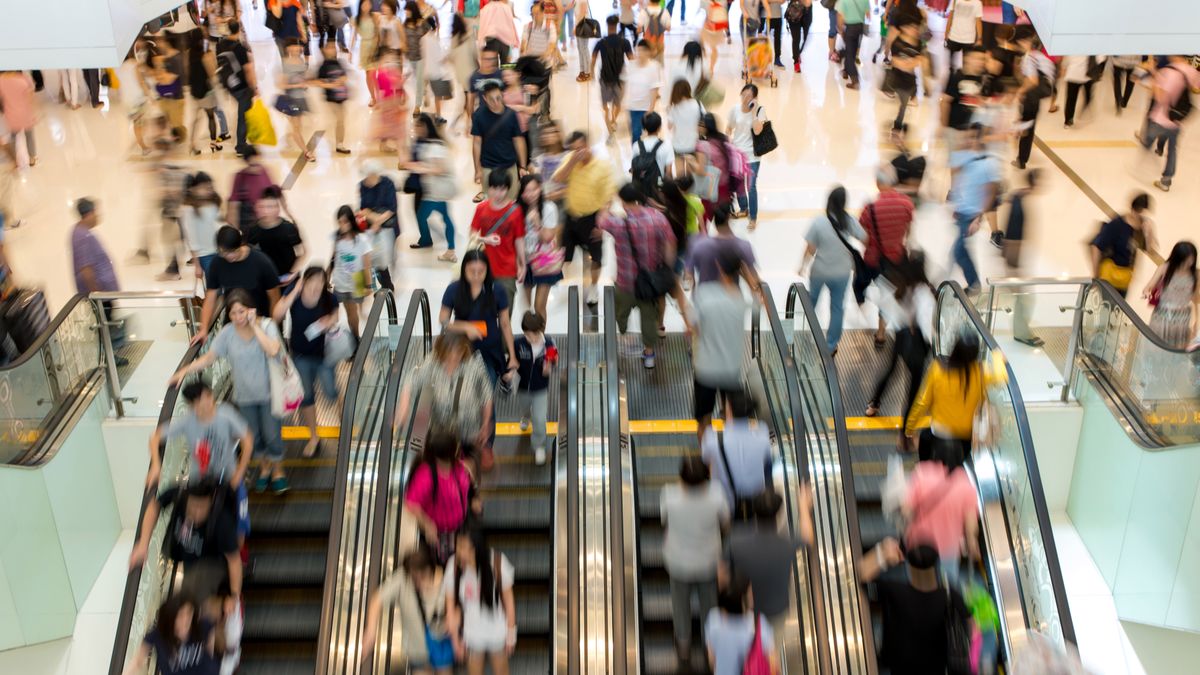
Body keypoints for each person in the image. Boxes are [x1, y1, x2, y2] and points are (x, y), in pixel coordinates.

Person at [171, 290, 290, 493]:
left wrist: (254, 325)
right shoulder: (227, 332)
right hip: (244, 397)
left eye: (241, 312)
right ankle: (264, 468)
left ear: (250, 310)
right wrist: (185, 370)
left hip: (270, 395)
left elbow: (272, 350)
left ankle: (278, 470)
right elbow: (210, 357)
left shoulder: (267, 326)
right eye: (233, 313)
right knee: (254, 436)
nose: (237, 318)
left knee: (272, 435)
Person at [441, 251, 518, 467]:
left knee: (485, 398)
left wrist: (511, 355)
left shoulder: (497, 290)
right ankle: (464, 442)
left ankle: (486, 445)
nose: (476, 276)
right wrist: (466, 326)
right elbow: (444, 320)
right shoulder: (454, 290)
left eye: (481, 272)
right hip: (461, 353)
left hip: (489, 354)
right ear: (464, 269)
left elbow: (504, 323)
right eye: (471, 271)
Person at [723, 489, 813, 663]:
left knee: (740, 648)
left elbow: (723, 572)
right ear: (778, 515)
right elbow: (808, 539)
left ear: (755, 513)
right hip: (776, 610)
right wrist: (803, 506)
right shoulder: (787, 544)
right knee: (769, 652)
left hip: (744, 610)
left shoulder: (736, 539)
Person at [858, 540, 966, 675]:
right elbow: (971, 628)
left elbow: (862, 575)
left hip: (899, 667)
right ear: (936, 567)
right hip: (937, 668)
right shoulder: (950, 596)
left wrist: (882, 553)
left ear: (909, 568)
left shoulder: (894, 591)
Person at [599, 183, 677, 369]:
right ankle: (649, 354)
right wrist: (666, 268)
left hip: (625, 282)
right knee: (649, 317)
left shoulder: (618, 223)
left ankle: (623, 333)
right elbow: (670, 244)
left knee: (620, 311)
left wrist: (606, 204)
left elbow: (601, 221)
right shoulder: (657, 218)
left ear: (623, 202)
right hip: (650, 282)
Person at [661, 455, 729, 666]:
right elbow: (725, 523)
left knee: (680, 604)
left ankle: (683, 645)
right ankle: (711, 647)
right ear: (706, 477)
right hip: (708, 562)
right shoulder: (717, 495)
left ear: (681, 478)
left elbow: (664, 521)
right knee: (710, 603)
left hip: (678, 561)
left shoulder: (668, 495)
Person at [129, 477, 243, 602]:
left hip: (213, 571)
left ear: (211, 503)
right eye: (194, 506)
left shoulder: (223, 522)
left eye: (203, 507)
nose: (198, 513)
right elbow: (154, 507)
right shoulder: (180, 494)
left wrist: (233, 597)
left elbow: (234, 562)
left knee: (192, 596)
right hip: (190, 567)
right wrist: (143, 543)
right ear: (186, 499)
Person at [904, 332, 1006, 466]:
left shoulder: (938, 369)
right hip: (966, 435)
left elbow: (922, 402)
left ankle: (926, 473)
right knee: (958, 466)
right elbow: (1001, 377)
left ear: (955, 349)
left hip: (940, 432)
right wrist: (998, 356)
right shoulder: (981, 372)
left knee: (925, 439)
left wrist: (909, 428)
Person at [272, 267, 341, 457]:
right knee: (306, 395)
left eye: (321, 282)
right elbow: (277, 314)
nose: (317, 286)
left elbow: (336, 314)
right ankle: (313, 437)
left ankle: (344, 421)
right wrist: (294, 291)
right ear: (305, 281)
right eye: (313, 281)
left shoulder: (329, 297)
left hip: (324, 356)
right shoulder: (294, 294)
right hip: (300, 355)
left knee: (331, 391)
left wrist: (330, 321)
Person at [398, 332, 494, 465]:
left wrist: (485, 423)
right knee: (438, 458)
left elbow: (486, 395)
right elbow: (411, 379)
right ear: (441, 352)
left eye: (458, 354)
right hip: (440, 426)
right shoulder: (433, 362)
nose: (453, 359)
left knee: (470, 462)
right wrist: (404, 406)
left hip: (468, 426)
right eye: (448, 355)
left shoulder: (474, 366)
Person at [362, 544, 453, 673]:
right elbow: (378, 599)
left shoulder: (447, 580)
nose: (418, 583)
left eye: (422, 577)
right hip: (416, 652)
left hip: (441, 648)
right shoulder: (402, 577)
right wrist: (371, 631)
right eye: (414, 578)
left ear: (430, 569)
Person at [690, 248, 749, 439]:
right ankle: (731, 453)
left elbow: (695, 328)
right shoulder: (741, 300)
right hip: (731, 369)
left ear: (719, 267)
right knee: (733, 415)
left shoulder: (704, 294)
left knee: (704, 419)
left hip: (706, 369)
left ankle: (708, 460)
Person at [552, 130, 616, 307]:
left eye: (581, 148)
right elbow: (558, 178)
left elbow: (608, 196)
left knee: (596, 256)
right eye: (574, 149)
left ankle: (594, 287)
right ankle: (557, 281)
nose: (578, 152)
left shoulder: (602, 165)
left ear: (588, 145)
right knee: (562, 253)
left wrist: (602, 222)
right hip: (572, 216)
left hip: (592, 218)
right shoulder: (570, 160)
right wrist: (572, 161)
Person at [903, 439, 981, 585]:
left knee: (917, 582)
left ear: (935, 453)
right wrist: (971, 541)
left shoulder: (921, 472)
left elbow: (906, 510)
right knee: (948, 584)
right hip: (949, 548)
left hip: (919, 544)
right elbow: (971, 525)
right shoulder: (966, 484)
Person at [866, 254, 934, 418]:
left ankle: (874, 403)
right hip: (917, 340)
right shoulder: (924, 291)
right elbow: (925, 323)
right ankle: (907, 424)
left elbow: (887, 306)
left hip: (901, 335)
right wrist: (932, 341)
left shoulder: (901, 285)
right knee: (915, 381)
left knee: (891, 370)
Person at [801, 185, 865, 355]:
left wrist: (802, 266)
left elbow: (811, 249)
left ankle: (805, 335)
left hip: (820, 271)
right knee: (837, 307)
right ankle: (831, 346)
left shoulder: (819, 222)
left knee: (811, 302)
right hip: (842, 272)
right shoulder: (849, 221)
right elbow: (865, 238)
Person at [444, 527, 517, 675]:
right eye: (458, 546)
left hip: (497, 631)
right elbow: (450, 607)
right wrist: (455, 640)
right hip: (471, 634)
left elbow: (509, 601)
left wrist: (511, 634)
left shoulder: (497, 562)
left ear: (477, 548)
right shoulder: (453, 566)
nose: (460, 552)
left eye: (465, 548)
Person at [195, 226, 282, 344]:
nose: (229, 256)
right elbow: (210, 297)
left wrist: (271, 328)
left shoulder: (261, 262)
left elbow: (274, 298)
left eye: (232, 252)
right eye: (223, 253)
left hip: (258, 323)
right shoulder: (217, 263)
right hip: (234, 323)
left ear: (241, 245)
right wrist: (204, 328)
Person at [700, 391, 772, 519]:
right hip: (756, 502)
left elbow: (705, 460)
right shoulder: (762, 434)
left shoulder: (712, 437)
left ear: (729, 410)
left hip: (724, 501)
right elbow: (766, 460)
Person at [405, 431, 476, 559]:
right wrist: (427, 525)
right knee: (444, 566)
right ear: (453, 451)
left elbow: (466, 488)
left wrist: (474, 496)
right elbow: (411, 504)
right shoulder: (426, 475)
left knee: (457, 565)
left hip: (459, 529)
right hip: (438, 535)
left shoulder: (460, 466)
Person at [947, 125, 1000, 293]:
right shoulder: (965, 156)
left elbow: (991, 192)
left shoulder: (989, 163)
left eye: (971, 137)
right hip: (962, 210)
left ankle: (974, 284)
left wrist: (978, 217)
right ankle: (964, 281)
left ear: (979, 139)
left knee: (958, 251)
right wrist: (955, 200)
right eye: (966, 137)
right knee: (958, 250)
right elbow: (956, 176)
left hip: (971, 214)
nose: (967, 141)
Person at [1139, 55, 1200, 193]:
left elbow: (1160, 98)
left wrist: (1154, 79)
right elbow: (1196, 87)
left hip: (1161, 118)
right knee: (1173, 149)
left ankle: (1147, 166)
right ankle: (1166, 180)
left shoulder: (1169, 72)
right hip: (1178, 119)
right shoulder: (1192, 71)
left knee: (1147, 141)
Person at [123, 594, 220, 675]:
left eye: (189, 613)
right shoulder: (158, 634)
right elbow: (137, 661)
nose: (186, 619)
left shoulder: (203, 626)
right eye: (181, 615)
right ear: (171, 616)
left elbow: (210, 651)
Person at [1000, 169, 1043, 347]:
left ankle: (1021, 331)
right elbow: (1012, 235)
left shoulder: (1019, 196)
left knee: (1021, 296)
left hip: (1014, 256)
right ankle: (1022, 333)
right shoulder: (1020, 202)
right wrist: (1015, 263)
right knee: (1025, 297)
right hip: (1014, 256)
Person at [470, 171, 526, 305]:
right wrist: (485, 239)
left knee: (505, 307)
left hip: (507, 267)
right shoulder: (481, 208)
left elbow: (519, 239)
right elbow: (472, 235)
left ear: (507, 189)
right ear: (488, 188)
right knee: (483, 307)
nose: (498, 193)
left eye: (502, 189)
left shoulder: (515, 211)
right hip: (483, 267)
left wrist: (522, 264)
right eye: (494, 188)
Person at [704, 575, 778, 675]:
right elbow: (773, 663)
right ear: (744, 601)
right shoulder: (760, 623)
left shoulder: (713, 618)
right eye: (750, 592)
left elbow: (712, 659)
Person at [409, 114, 459, 262]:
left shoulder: (435, 146)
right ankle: (450, 249)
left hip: (435, 192)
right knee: (446, 218)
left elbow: (440, 169)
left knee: (421, 216)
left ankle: (444, 247)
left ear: (425, 127)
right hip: (436, 191)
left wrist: (420, 168)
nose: (415, 128)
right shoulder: (434, 142)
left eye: (418, 125)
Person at [1090, 192, 1157, 298]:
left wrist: (1149, 234)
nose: (1140, 217)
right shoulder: (1117, 225)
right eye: (1138, 212)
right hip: (1110, 275)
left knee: (1118, 306)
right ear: (1133, 209)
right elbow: (1096, 246)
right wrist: (1095, 276)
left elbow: (1151, 251)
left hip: (1125, 278)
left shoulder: (1143, 227)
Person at [471, 82, 527, 203]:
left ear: (502, 95)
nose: (496, 103)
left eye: (498, 98)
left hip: (509, 165)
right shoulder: (479, 116)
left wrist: (522, 166)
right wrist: (477, 170)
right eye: (491, 99)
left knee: (511, 200)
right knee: (491, 202)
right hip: (488, 166)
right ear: (485, 98)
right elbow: (476, 143)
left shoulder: (511, 115)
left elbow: (518, 140)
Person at [518, 174, 563, 320]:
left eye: (534, 190)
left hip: (544, 261)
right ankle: (530, 335)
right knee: (526, 307)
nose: (530, 194)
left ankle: (540, 339)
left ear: (540, 189)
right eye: (526, 191)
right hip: (526, 262)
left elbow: (547, 238)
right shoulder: (517, 209)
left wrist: (537, 222)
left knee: (539, 306)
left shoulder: (549, 208)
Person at [514, 311, 557, 464]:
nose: (531, 338)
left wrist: (549, 368)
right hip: (523, 387)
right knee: (525, 408)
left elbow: (553, 362)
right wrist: (510, 370)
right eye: (527, 335)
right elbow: (513, 361)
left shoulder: (550, 344)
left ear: (541, 330)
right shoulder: (518, 343)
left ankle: (539, 446)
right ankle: (525, 416)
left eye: (534, 334)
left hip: (540, 389)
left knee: (539, 418)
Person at [246, 186, 306, 288]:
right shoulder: (253, 230)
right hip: (267, 280)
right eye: (262, 207)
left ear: (278, 208)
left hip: (288, 279)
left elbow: (303, 253)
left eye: (270, 207)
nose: (265, 211)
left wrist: (292, 273)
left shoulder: (288, 228)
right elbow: (250, 254)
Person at [1012, 27, 1055, 170]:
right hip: (1040, 94)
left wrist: (1020, 91)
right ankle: (1022, 156)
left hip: (1032, 94)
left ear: (1024, 42)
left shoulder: (1029, 57)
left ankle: (1021, 159)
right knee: (1029, 124)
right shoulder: (1040, 56)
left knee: (1026, 125)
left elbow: (1033, 80)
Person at [1144, 241, 1199, 349]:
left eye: (1192, 259)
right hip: (1163, 316)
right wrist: (1147, 293)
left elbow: (1196, 297)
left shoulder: (1196, 274)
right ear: (1178, 257)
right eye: (1186, 259)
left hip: (1182, 319)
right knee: (1156, 348)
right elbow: (1148, 287)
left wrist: (1197, 319)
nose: (1189, 263)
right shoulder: (1165, 268)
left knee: (1177, 350)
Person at [727, 84, 767, 230]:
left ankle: (753, 217)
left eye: (749, 96)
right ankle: (744, 208)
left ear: (755, 98)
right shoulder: (735, 109)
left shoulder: (760, 112)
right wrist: (728, 139)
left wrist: (754, 112)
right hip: (737, 154)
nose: (745, 98)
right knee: (738, 184)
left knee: (751, 186)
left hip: (753, 155)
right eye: (743, 95)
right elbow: (729, 127)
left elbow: (757, 131)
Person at [216, 21, 257, 157]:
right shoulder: (240, 47)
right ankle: (241, 145)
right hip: (242, 86)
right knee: (243, 115)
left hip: (229, 84)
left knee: (244, 112)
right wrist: (254, 87)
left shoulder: (220, 45)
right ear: (239, 29)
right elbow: (248, 69)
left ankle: (246, 138)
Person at [330, 205, 373, 335]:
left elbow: (367, 265)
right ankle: (355, 338)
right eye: (339, 222)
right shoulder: (337, 238)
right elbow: (333, 259)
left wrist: (369, 285)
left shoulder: (362, 240)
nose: (342, 225)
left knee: (353, 312)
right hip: (341, 280)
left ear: (351, 221)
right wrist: (328, 277)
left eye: (345, 222)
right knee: (349, 311)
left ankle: (356, 336)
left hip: (357, 280)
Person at [590, 16, 634, 135]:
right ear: (617, 25)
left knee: (604, 104)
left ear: (607, 25)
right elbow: (631, 59)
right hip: (620, 79)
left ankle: (608, 115)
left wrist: (592, 72)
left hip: (605, 78)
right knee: (618, 103)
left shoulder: (601, 42)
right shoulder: (624, 42)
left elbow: (593, 57)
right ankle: (613, 119)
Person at [885, 16, 929, 132]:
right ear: (904, 28)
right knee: (903, 105)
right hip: (898, 79)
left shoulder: (918, 43)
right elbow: (896, 63)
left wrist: (910, 63)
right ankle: (897, 127)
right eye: (911, 28)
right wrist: (913, 62)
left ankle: (898, 123)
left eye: (916, 28)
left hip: (911, 80)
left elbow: (922, 61)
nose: (915, 30)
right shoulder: (898, 43)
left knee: (907, 100)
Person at [178, 172, 223, 280]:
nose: (209, 190)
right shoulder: (188, 209)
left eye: (210, 187)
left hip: (220, 252)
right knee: (214, 287)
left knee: (222, 285)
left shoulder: (213, 204)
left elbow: (218, 225)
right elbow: (191, 238)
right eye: (204, 187)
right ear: (193, 189)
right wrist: (197, 265)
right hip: (204, 255)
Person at [315, 41, 352, 155]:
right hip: (331, 98)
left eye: (334, 47)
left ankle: (339, 143)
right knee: (340, 119)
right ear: (325, 50)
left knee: (341, 120)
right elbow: (318, 81)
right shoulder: (323, 66)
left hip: (341, 96)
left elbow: (345, 76)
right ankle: (339, 144)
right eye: (329, 47)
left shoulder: (339, 62)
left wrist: (342, 80)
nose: (332, 50)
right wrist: (331, 84)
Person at [942, 46, 987, 134]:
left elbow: (982, 102)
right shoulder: (957, 77)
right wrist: (944, 127)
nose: (980, 62)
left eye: (983, 59)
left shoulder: (983, 79)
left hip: (975, 130)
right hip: (956, 129)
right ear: (967, 59)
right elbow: (945, 102)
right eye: (977, 58)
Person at [624, 39, 663, 142]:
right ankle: (636, 155)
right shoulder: (631, 65)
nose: (639, 53)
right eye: (638, 50)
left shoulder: (654, 66)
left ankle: (641, 154)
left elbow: (654, 88)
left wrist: (651, 108)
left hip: (645, 107)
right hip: (632, 106)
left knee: (639, 133)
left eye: (642, 50)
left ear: (648, 52)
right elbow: (625, 84)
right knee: (635, 133)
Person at [0, 70, 37, 167]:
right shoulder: (23, 79)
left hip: (11, 115)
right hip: (25, 114)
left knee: (13, 138)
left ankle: (16, 160)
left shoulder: (1, 81)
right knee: (29, 136)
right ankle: (32, 158)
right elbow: (30, 96)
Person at [666, 80, 703, 173]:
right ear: (688, 90)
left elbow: (669, 127)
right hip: (693, 144)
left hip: (677, 144)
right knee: (692, 175)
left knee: (680, 175)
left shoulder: (673, 108)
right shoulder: (697, 104)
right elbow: (704, 122)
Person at [351, 0, 381, 106]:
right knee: (369, 74)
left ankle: (378, 95)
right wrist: (350, 50)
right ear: (360, 5)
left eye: (369, 4)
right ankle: (373, 97)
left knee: (375, 74)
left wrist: (377, 47)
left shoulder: (375, 16)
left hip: (375, 46)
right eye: (364, 4)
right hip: (364, 47)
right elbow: (354, 36)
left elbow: (378, 33)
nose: (367, 6)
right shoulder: (356, 19)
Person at [1061, 55, 1104, 128]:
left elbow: (1065, 62)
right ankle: (1084, 110)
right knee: (1088, 96)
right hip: (1086, 77)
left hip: (1072, 75)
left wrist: (1064, 70)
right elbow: (1100, 59)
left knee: (1071, 99)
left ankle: (1068, 121)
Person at [835, 0, 869, 90]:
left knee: (850, 55)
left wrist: (840, 29)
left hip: (849, 28)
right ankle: (846, 71)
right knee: (852, 51)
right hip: (860, 28)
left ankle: (855, 81)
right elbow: (868, 14)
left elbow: (840, 16)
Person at [944, 0, 982, 71]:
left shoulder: (977, 3)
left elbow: (978, 21)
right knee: (950, 64)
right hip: (954, 36)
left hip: (969, 38)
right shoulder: (955, 1)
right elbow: (950, 17)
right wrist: (946, 32)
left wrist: (979, 38)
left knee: (967, 64)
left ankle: (963, 78)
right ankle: (951, 78)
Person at [785, 0, 812, 73]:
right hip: (794, 10)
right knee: (796, 39)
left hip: (807, 13)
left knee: (805, 38)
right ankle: (796, 61)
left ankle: (797, 54)